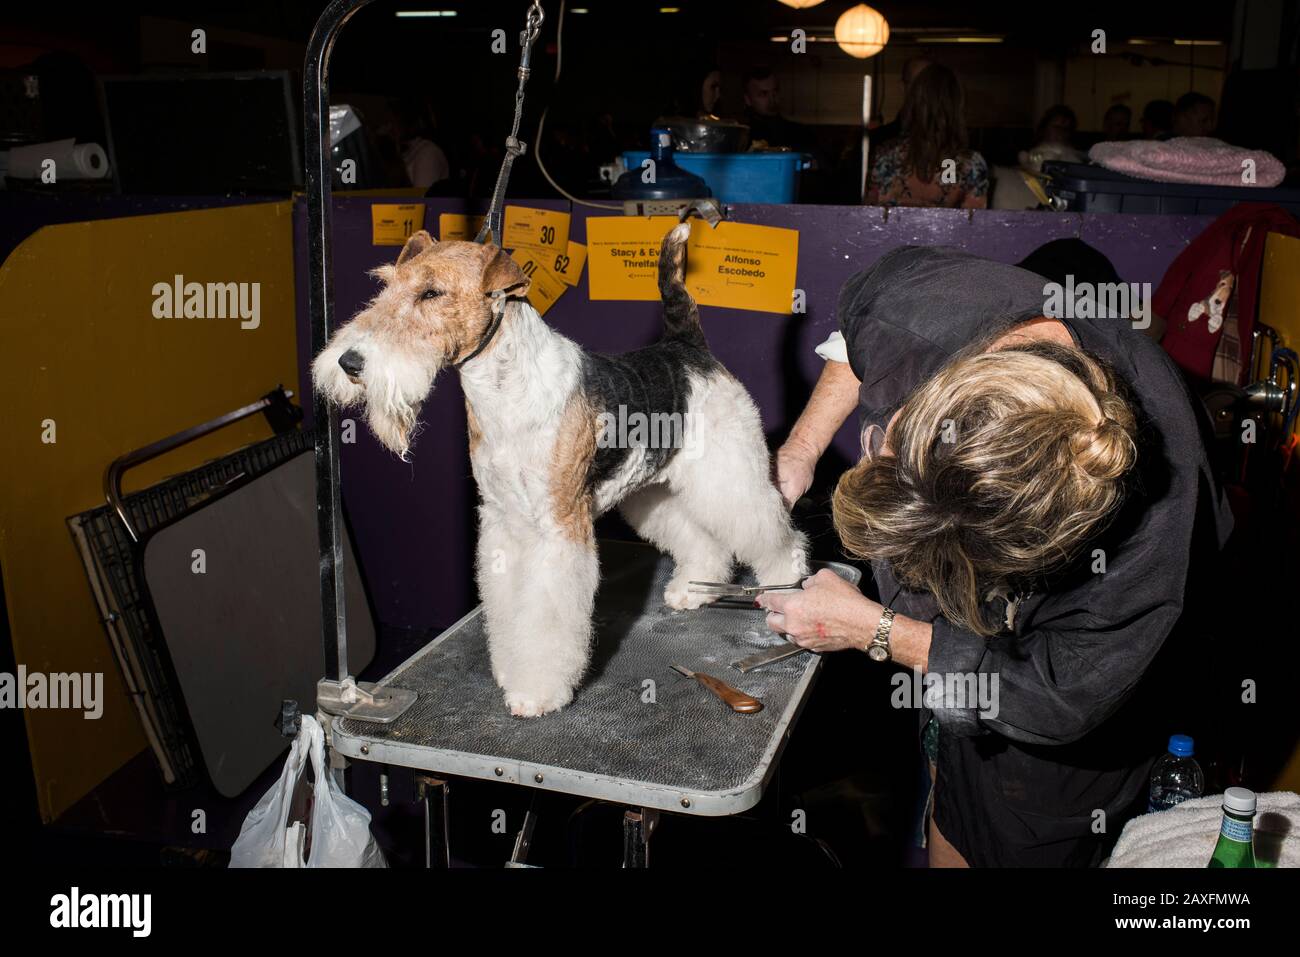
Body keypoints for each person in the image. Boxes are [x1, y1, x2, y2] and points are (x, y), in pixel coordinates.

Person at [767, 245, 1233, 867]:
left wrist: (876, 630)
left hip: (1049, 746)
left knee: (1013, 826)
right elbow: (862, 335)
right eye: (887, 443)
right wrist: (800, 450)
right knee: (949, 790)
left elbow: (1060, 696)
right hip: (965, 668)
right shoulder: (929, 305)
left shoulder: (1154, 526)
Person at [865, 64, 987, 209]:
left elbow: (869, 216)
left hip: (892, 231)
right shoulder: (971, 164)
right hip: (946, 231)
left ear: (914, 102)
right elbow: (975, 224)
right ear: (957, 107)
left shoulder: (886, 155)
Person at [870, 56, 935, 149]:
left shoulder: (948, 141)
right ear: (903, 86)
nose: (923, 90)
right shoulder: (877, 140)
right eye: (916, 83)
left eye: (929, 83)